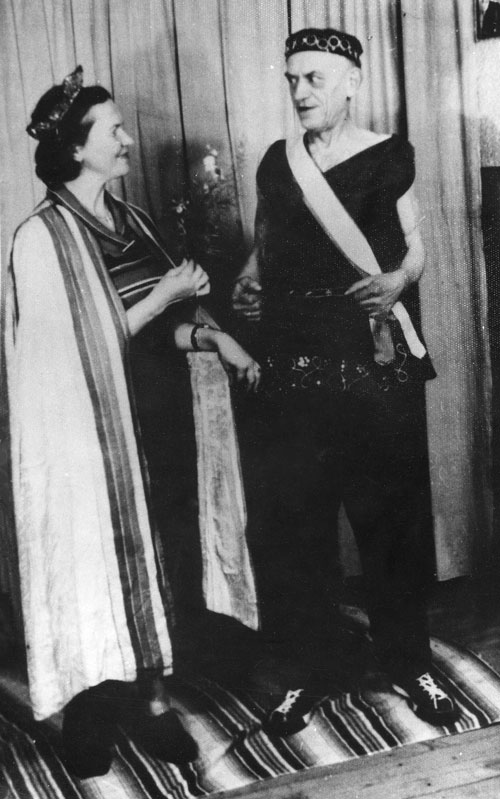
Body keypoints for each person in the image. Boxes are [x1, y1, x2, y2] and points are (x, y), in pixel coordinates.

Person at [6, 66, 260, 778]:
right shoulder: (40, 239)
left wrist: (210, 335)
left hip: (156, 422)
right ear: (76, 149)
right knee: (94, 564)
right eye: (113, 131)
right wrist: (167, 292)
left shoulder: (135, 222)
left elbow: (160, 331)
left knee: (161, 560)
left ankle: (152, 702)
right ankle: (90, 711)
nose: (127, 140)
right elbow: (71, 350)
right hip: (89, 444)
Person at [232, 28, 458, 734]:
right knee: (298, 522)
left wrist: (397, 281)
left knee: (390, 520)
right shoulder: (279, 162)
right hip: (295, 359)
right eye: (293, 79)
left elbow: (415, 247)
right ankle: (310, 669)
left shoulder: (389, 155)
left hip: (371, 360)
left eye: (315, 79)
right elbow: (264, 243)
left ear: (352, 82)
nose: (300, 92)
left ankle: (409, 661)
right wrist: (248, 279)